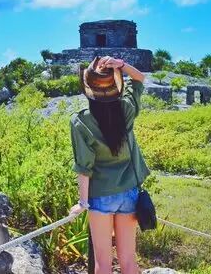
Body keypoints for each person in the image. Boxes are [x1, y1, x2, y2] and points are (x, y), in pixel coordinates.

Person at [69, 56, 149, 274]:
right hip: (129, 193)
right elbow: (139, 79)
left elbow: (83, 167)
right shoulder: (126, 109)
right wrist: (121, 65)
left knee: (103, 264)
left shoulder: (80, 121)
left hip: (100, 196)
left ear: (88, 89)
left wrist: (82, 203)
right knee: (129, 261)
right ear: (116, 86)